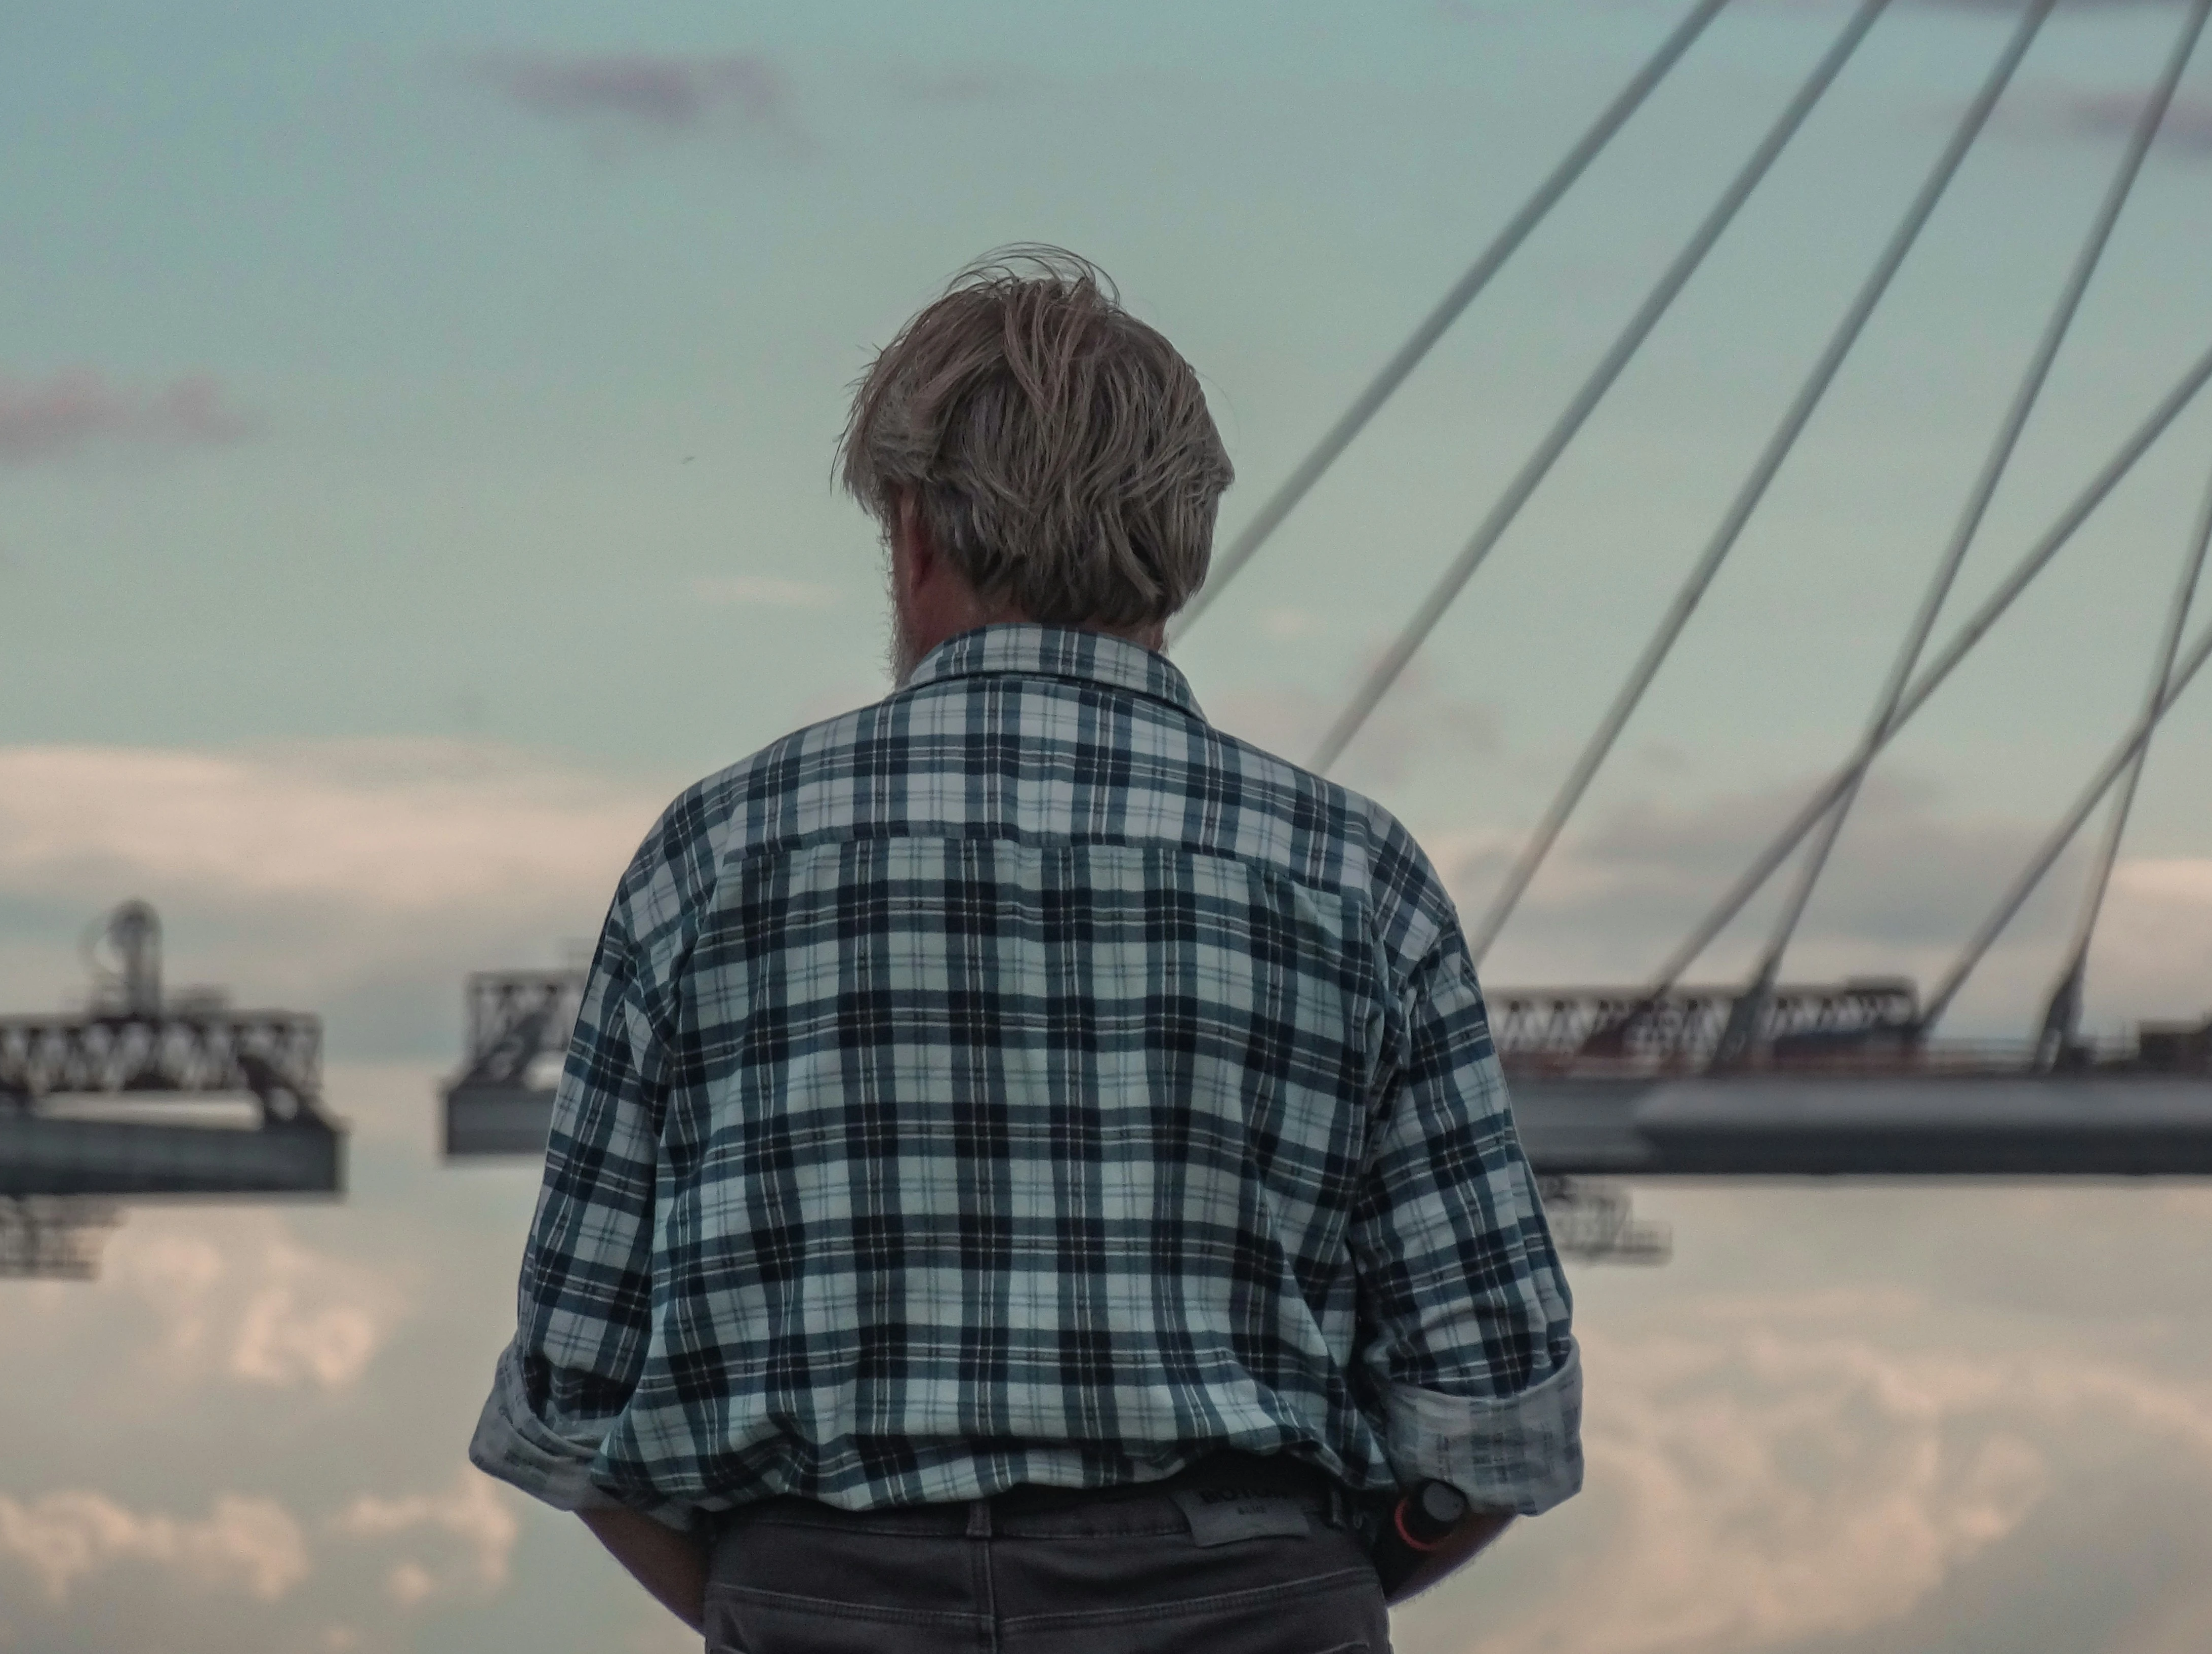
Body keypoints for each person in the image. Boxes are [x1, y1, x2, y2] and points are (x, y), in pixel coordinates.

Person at [472, 249, 1581, 1650]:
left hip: (826, 1594)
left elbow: (572, 1395)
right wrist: (1299, 1584)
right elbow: (1497, 1407)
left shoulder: (714, 859)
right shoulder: (1356, 877)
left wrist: (782, 1597)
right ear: (1184, 545)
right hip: (1249, 1601)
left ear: (913, 534)